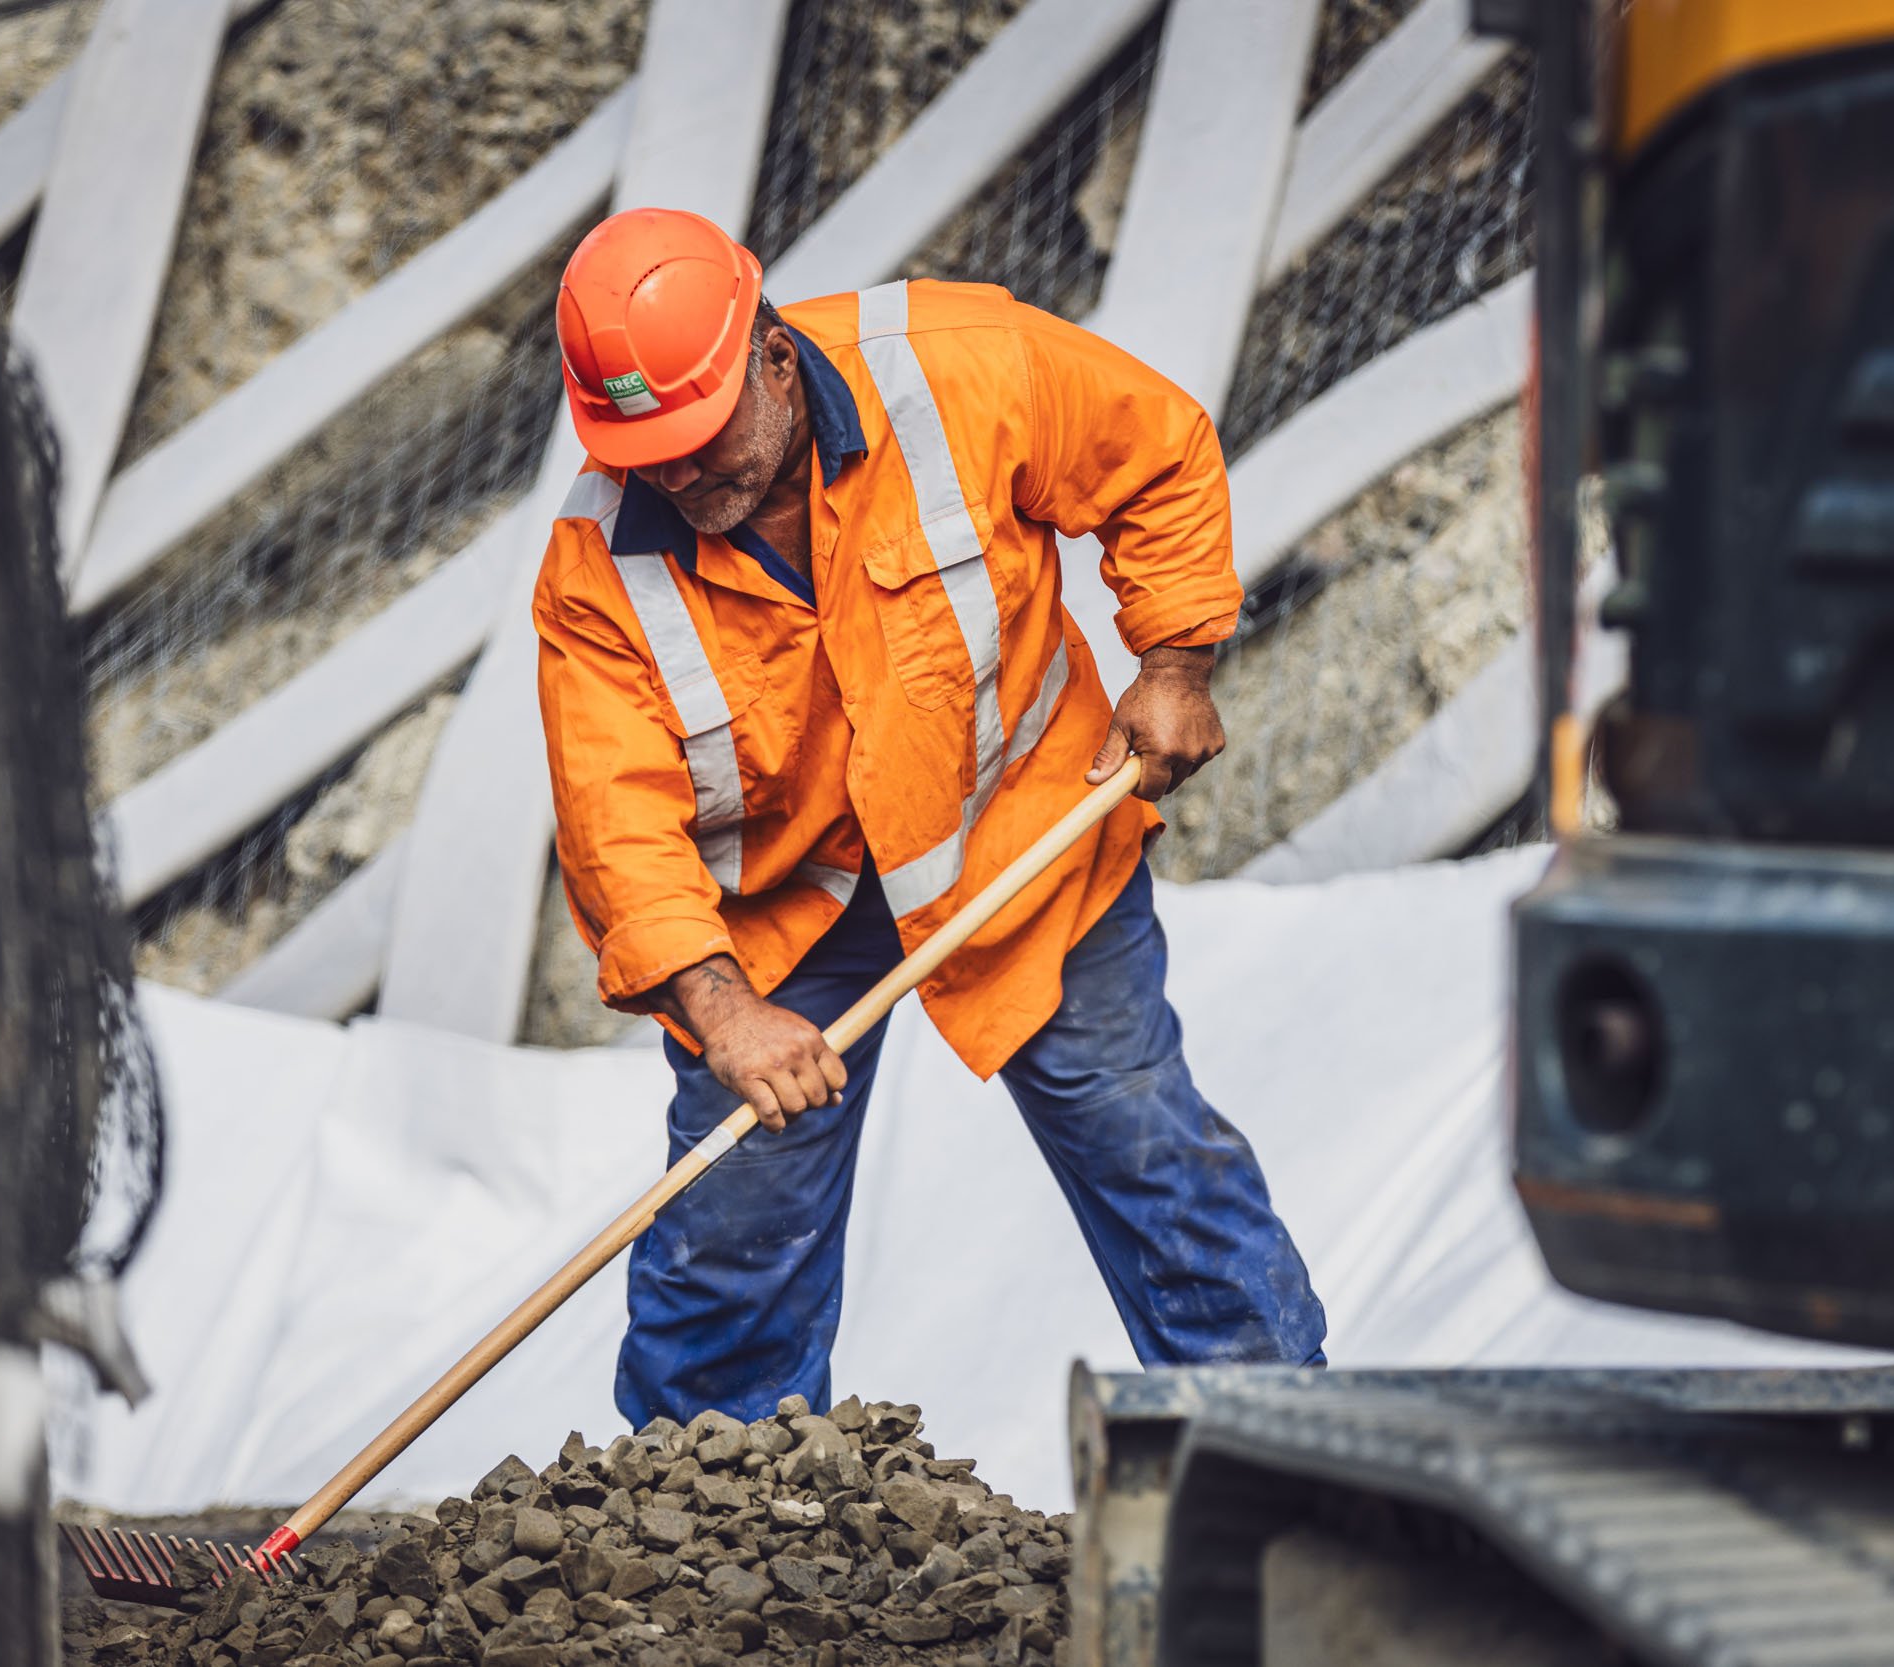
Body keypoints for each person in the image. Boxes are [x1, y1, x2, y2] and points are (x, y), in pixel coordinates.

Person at [532, 207, 1325, 1425]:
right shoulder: (595, 571)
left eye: (702, 440)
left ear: (776, 359)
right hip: (783, 920)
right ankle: (707, 1535)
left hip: (1015, 834)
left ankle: (1284, 1452)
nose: (682, 479)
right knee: (733, 1220)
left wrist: (1174, 662)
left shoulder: (960, 365)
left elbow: (1156, 452)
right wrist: (722, 1007)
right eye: (649, 455)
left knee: (1145, 1142)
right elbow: (613, 819)